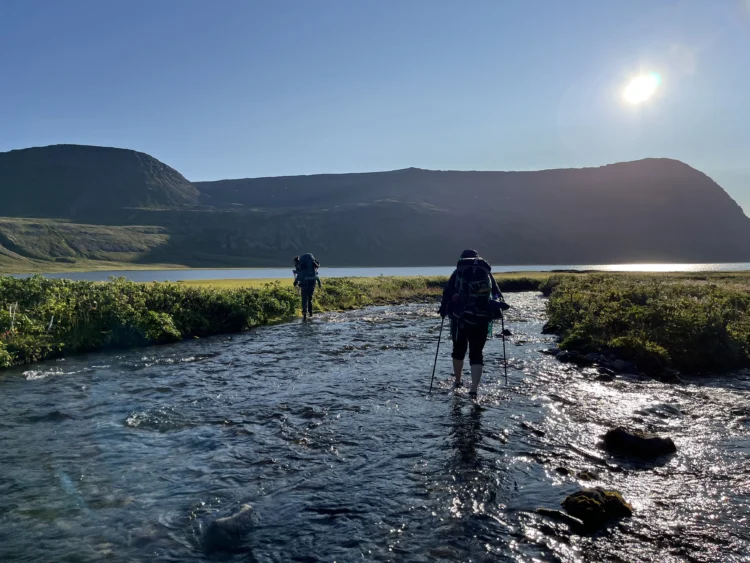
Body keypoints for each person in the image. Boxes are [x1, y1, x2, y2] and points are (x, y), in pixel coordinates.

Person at [439, 249, 508, 397]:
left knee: (458, 350)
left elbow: (447, 294)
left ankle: (458, 381)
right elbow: (497, 295)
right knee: (477, 353)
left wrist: (444, 309)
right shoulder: (486, 274)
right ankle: (474, 389)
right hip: (482, 319)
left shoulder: (458, 273)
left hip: (460, 319)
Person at [293, 253, 322, 320]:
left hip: (304, 285)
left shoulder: (302, 266)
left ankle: (305, 314)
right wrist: (320, 285)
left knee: (304, 299)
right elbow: (317, 277)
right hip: (312, 285)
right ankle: (310, 313)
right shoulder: (312, 267)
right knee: (310, 299)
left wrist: (295, 282)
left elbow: (299, 276)